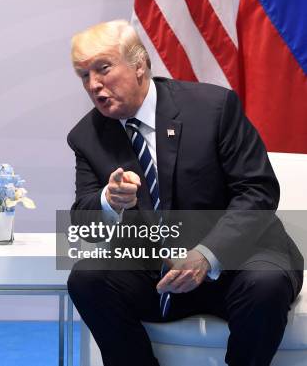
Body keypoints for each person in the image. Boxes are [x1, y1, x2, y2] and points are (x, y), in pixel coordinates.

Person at [66, 20, 303, 366]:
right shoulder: (87, 136)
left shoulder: (214, 109)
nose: (94, 84)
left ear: (139, 65)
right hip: (157, 271)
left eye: (103, 69)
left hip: (238, 258)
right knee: (87, 278)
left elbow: (257, 191)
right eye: (83, 75)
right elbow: (82, 219)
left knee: (265, 283)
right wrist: (108, 202)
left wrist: (207, 254)